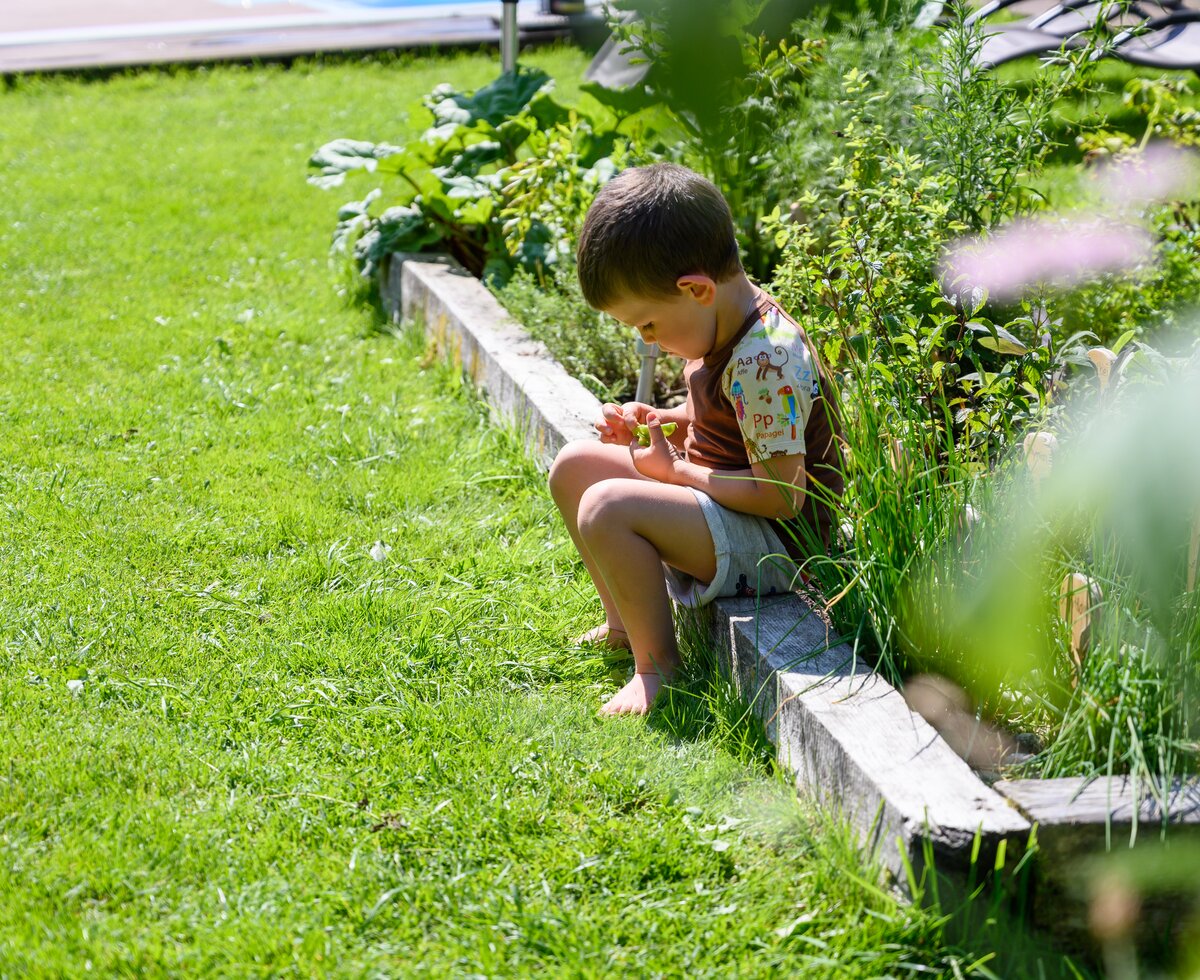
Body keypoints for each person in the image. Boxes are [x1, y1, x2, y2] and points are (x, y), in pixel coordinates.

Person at [549, 163, 843, 716]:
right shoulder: (727, 324)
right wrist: (661, 421)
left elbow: (784, 496)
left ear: (696, 289)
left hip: (779, 547)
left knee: (606, 506)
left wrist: (677, 473)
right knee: (574, 466)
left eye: (649, 324)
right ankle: (623, 624)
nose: (648, 340)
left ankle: (656, 668)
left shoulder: (765, 361)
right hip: (728, 510)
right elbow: (723, 418)